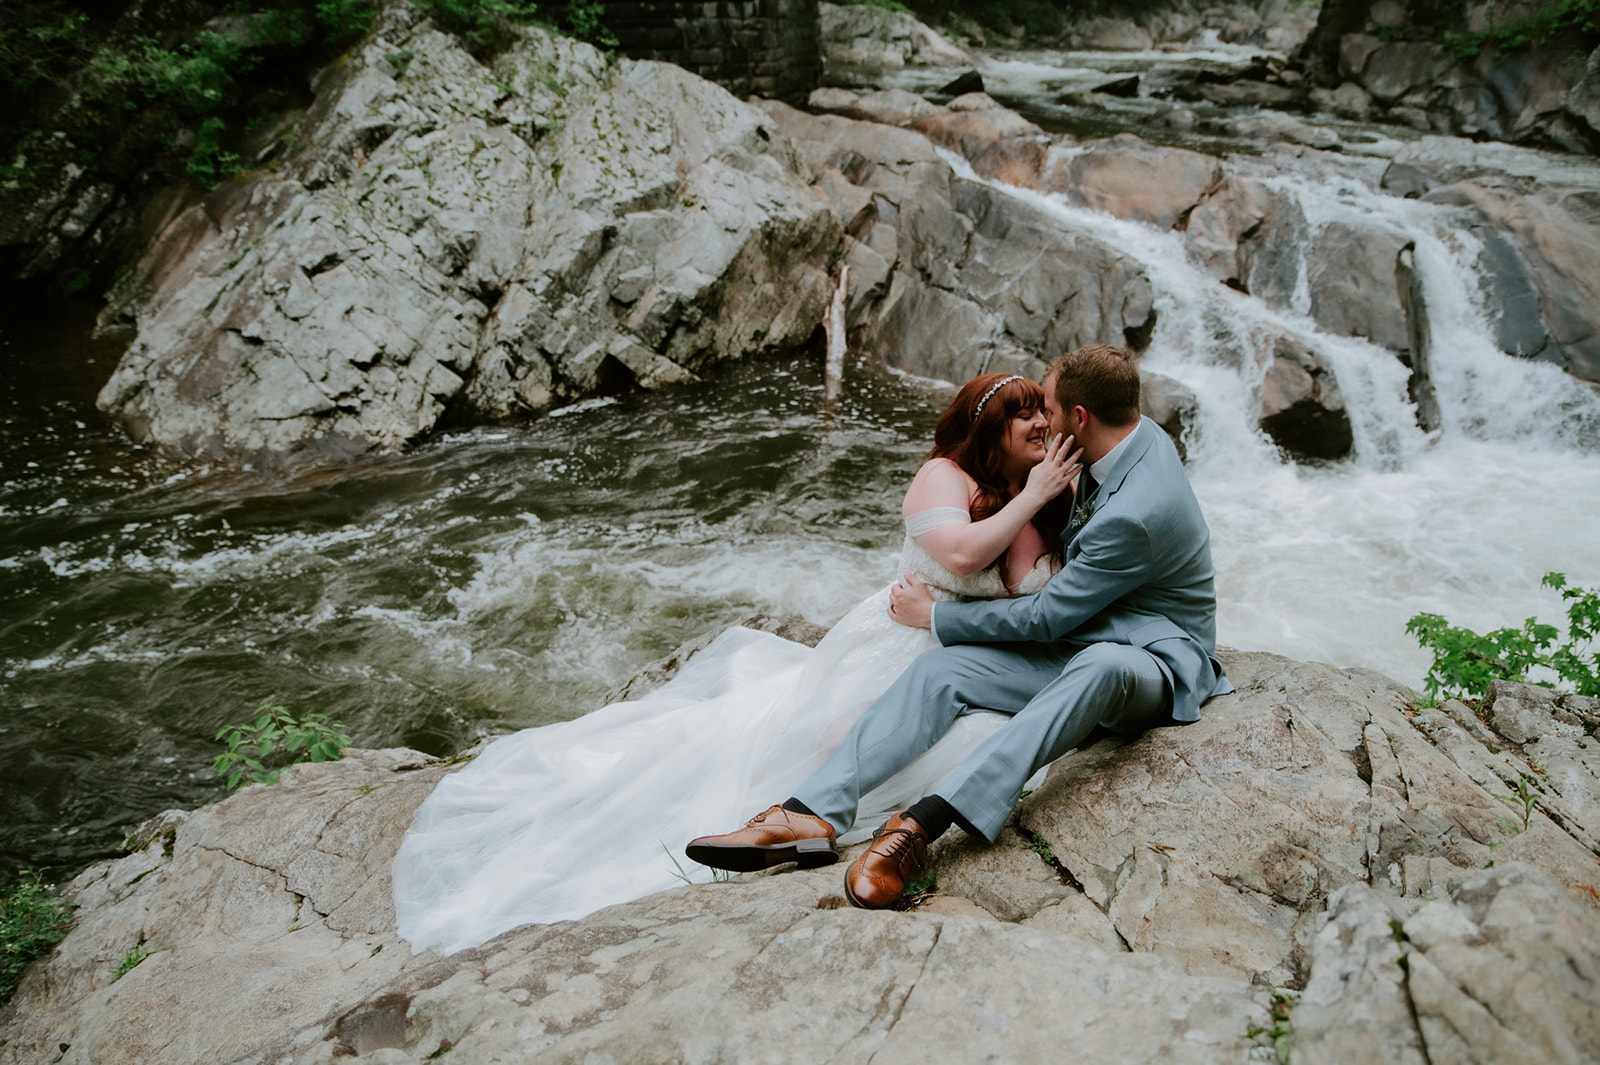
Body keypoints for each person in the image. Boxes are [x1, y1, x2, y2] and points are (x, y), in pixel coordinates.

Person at [391, 373, 1081, 954]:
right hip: (899, 640)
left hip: (967, 650)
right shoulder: (944, 475)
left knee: (961, 740)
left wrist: (1045, 495)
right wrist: (1036, 492)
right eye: (1021, 415)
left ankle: (844, 825)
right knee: (828, 738)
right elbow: (960, 556)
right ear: (984, 427)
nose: (1037, 425)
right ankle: (789, 819)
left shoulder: (1037, 501)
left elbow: (1037, 592)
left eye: (1040, 414)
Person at [686, 344, 1233, 909]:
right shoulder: (1128, 441)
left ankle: (921, 825)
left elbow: (1047, 618)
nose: (1043, 420)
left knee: (1101, 665)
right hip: (1092, 630)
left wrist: (938, 616)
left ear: (1080, 417)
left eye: (1049, 406)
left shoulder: (1135, 511)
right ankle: (808, 815)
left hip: (1152, 658)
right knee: (941, 668)